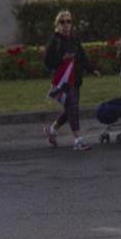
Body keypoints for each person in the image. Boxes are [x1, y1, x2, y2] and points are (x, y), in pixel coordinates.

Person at [43, 9, 100, 151]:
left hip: (75, 79)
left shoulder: (74, 39)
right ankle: (78, 140)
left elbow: (82, 56)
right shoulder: (55, 41)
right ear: (57, 24)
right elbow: (48, 62)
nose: (66, 24)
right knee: (72, 107)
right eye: (62, 22)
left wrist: (92, 69)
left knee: (70, 109)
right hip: (63, 81)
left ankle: (52, 130)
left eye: (68, 21)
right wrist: (61, 59)